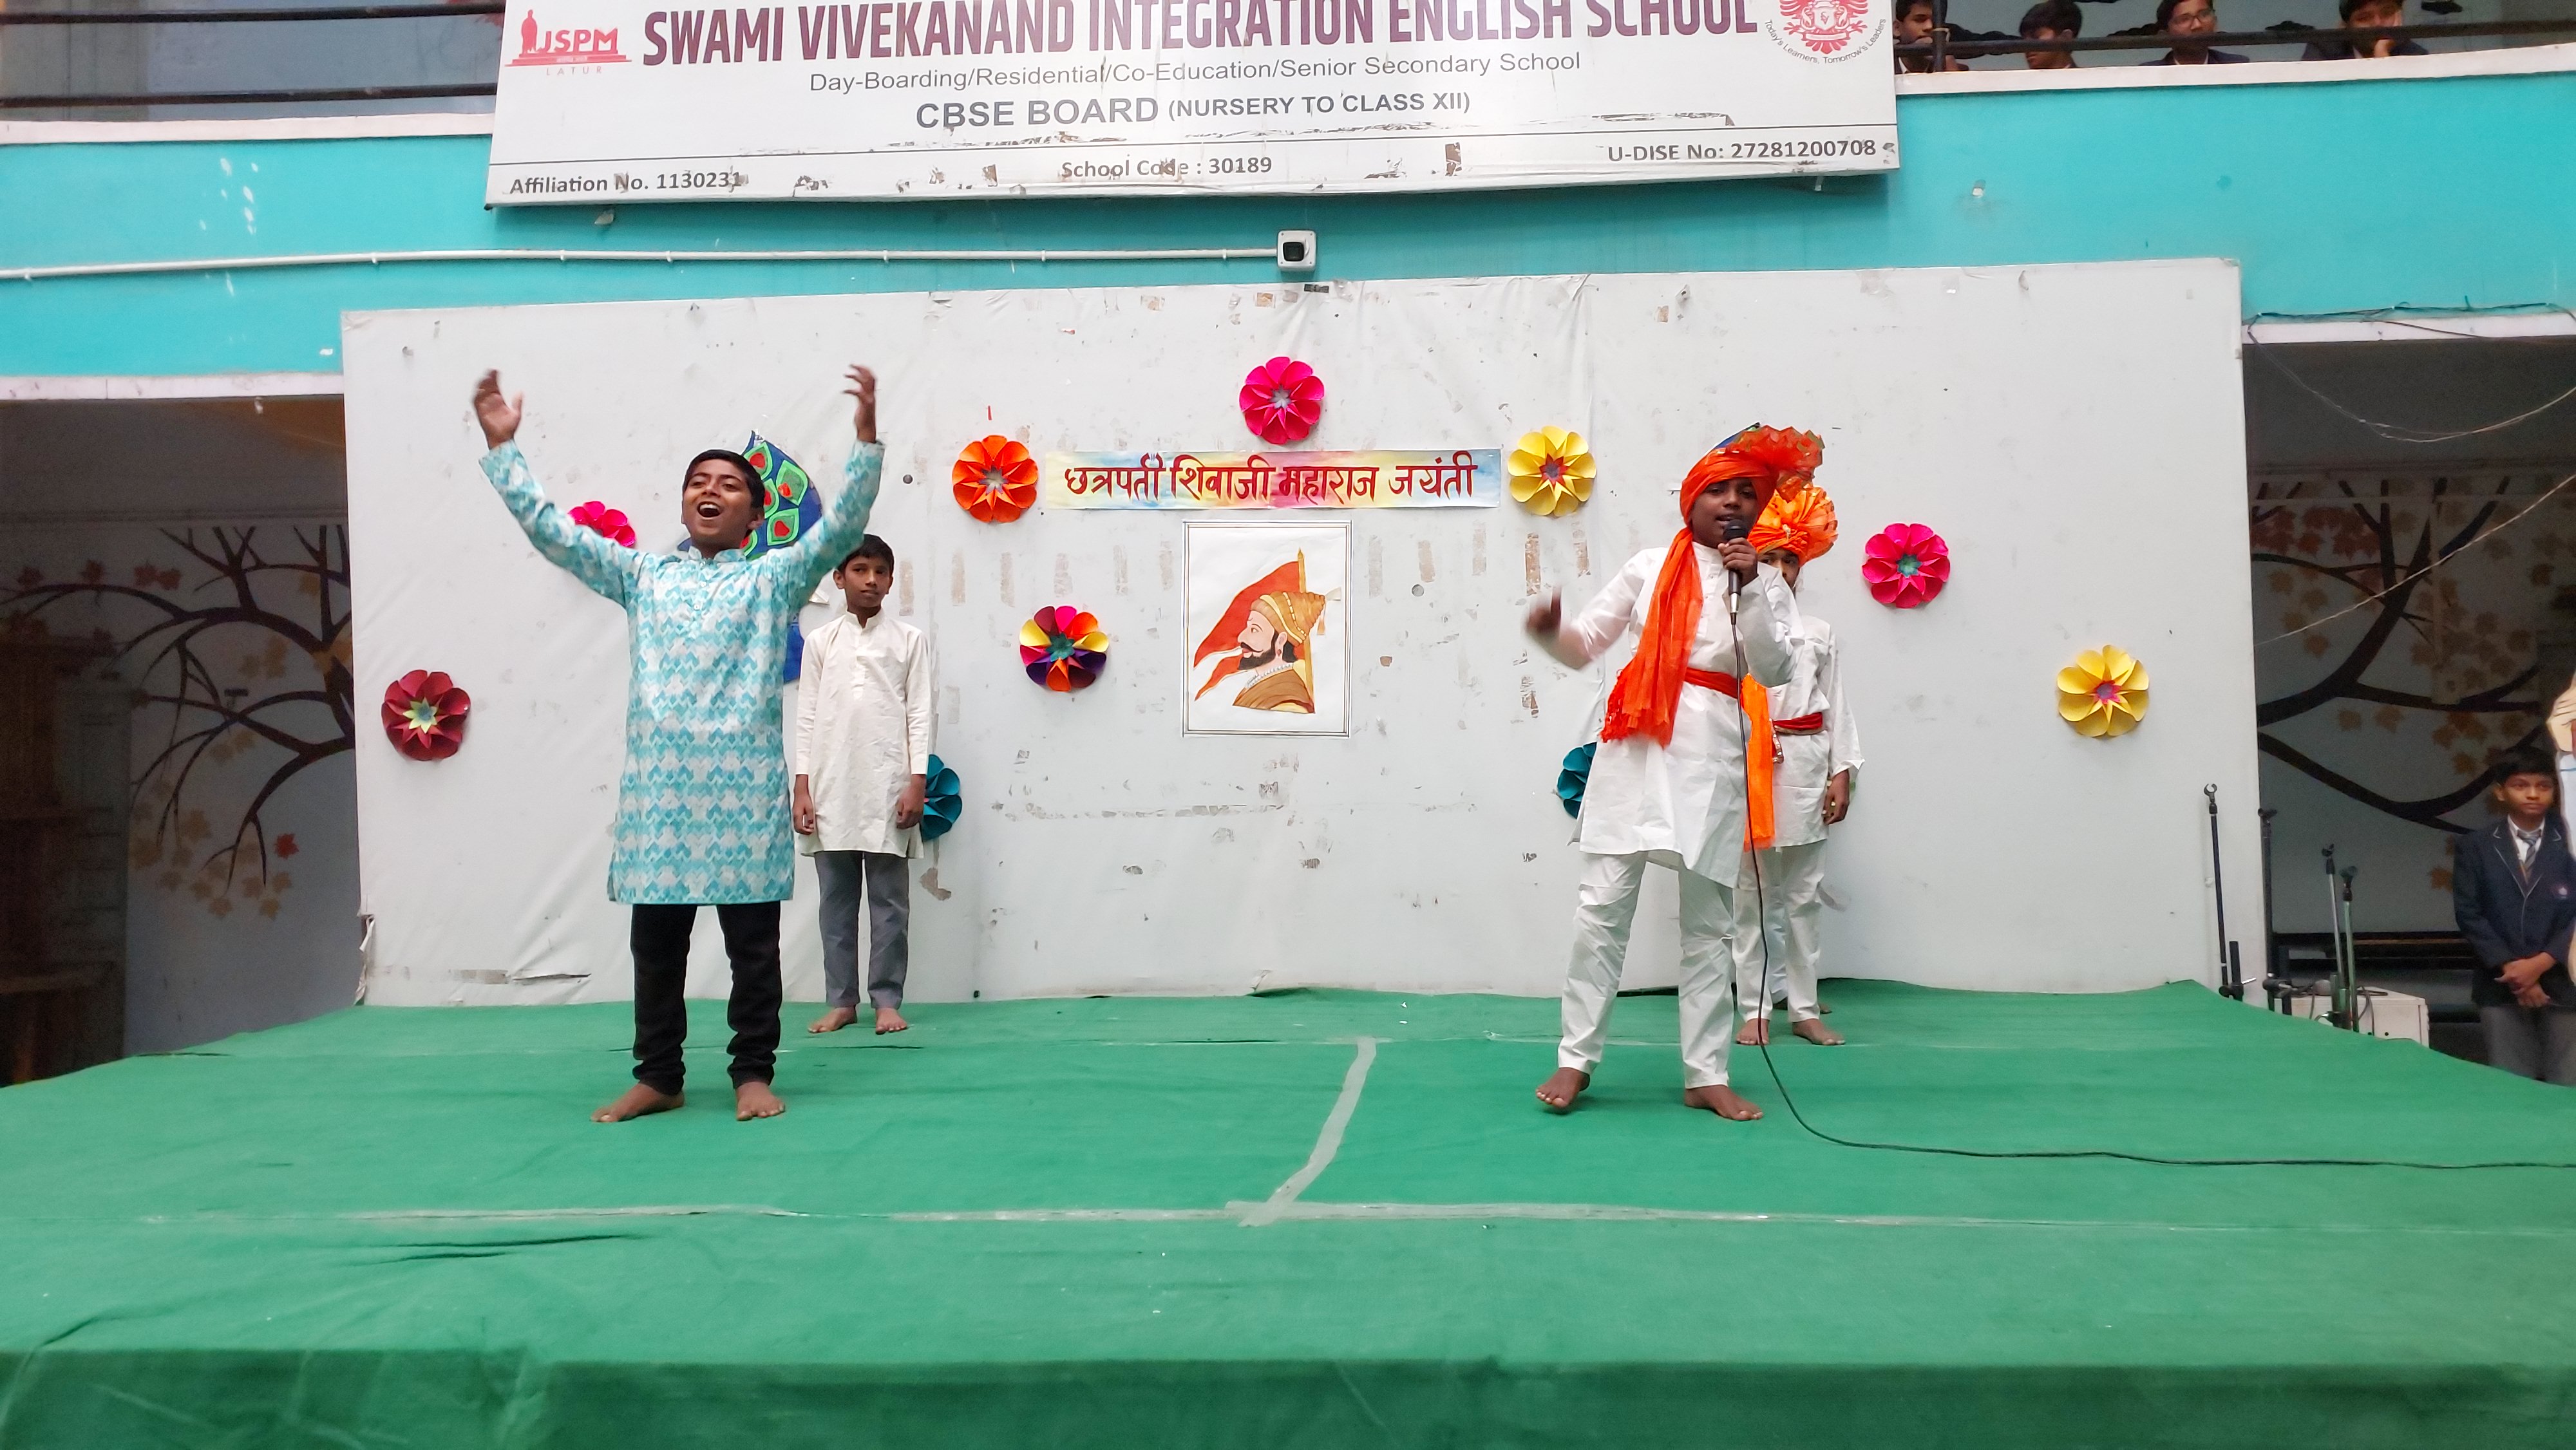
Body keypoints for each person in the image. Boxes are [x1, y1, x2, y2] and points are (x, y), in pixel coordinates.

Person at [469, 364, 885, 1123]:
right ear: (684, 502)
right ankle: (659, 1075)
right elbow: (554, 534)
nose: (710, 490)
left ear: (754, 514)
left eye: (728, 483)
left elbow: (842, 529)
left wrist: (864, 443)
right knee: (656, 948)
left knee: (752, 950)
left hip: (743, 796)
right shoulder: (642, 575)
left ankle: (752, 1073)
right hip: (660, 800)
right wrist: (504, 450)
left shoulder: (774, 578)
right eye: (698, 481)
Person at [1525, 426, 1819, 1121]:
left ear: (1759, 510)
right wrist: (1549, 631)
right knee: (1601, 911)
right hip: (1634, 749)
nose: (1733, 503)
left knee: (1710, 925)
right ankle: (1575, 1059)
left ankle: (1705, 1072)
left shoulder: (1764, 582)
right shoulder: (1649, 566)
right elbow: (1585, 644)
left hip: (1711, 758)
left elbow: (1776, 669)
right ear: (1692, 501)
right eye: (1719, 490)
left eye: (1746, 493)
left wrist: (1750, 588)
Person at [1732, 487, 1861, 1049]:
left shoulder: (1819, 632)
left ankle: (1804, 1008)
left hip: (1806, 762)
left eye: (1790, 560)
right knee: (1752, 894)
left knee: (1804, 894)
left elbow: (1839, 705)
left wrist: (1842, 770)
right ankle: (1756, 1007)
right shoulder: (1732, 628)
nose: (1781, 570)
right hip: (1749, 766)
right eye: (1769, 558)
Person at [795, 535, 933, 1038]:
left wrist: (916, 780)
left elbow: (920, 713)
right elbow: (806, 716)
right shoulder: (821, 642)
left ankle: (887, 1000)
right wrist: (802, 787)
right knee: (835, 902)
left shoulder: (909, 641)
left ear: (891, 581)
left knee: (889, 903)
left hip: (888, 784)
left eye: (880, 572)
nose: (870, 580)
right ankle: (841, 1001)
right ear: (839, 578)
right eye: (859, 570)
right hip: (830, 786)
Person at [2454, 747, 2576, 1086]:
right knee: (2509, 1084)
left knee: (2568, 1084)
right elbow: (2469, 913)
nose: (2533, 794)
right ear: (2500, 791)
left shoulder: (2573, 842)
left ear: (2556, 790)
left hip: (2565, 980)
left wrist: (2540, 964)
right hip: (2501, 982)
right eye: (2521, 785)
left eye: (2543, 786)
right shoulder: (2476, 846)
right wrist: (2515, 970)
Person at [2302, 0, 2424, 59]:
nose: (2378, 24)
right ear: (2345, 26)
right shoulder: (2323, 50)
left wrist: (2382, 53)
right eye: (2364, 18)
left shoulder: (2413, 54)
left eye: (2387, 13)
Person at [2147, 0, 2249, 64]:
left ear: (2215, 20)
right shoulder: (2148, 74)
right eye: (2184, 19)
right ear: (2165, 35)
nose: (2197, 25)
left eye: (2204, 15)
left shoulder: (2236, 66)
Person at [1893, 0, 1970, 71]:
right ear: (1897, 28)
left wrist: (1949, 68)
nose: (1929, 26)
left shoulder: (1957, 71)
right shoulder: (1886, 67)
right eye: (1920, 20)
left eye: (1936, 21)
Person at [2018, 0, 2081, 68]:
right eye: (2024, 39)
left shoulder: (2086, 75)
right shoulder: (2017, 75)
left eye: (2035, 37)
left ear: (2065, 37)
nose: (2026, 46)